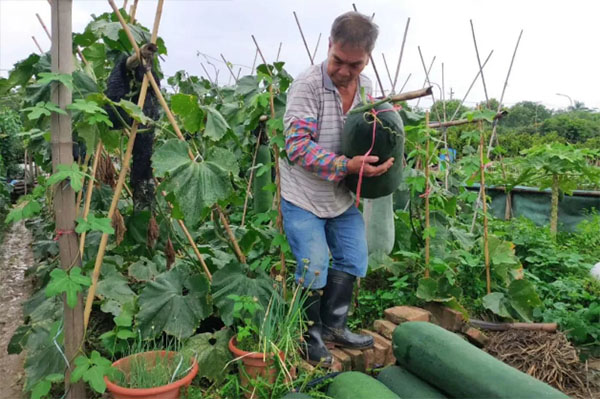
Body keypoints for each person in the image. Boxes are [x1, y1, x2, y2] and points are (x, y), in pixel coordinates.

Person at [279, 11, 394, 366]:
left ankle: (334, 327)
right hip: (303, 195)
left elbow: (371, 130)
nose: (344, 72)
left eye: (354, 65)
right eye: (338, 61)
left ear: (367, 58)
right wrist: (347, 165)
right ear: (329, 46)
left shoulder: (368, 89)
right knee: (314, 266)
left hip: (340, 196)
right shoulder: (307, 86)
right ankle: (308, 336)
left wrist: (385, 149)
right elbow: (297, 146)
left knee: (354, 257)